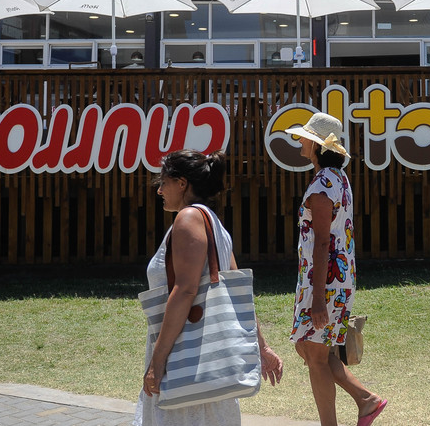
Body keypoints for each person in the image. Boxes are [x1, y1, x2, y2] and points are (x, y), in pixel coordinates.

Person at [136, 149, 284, 426]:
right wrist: (261, 346)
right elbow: (237, 293)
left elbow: (185, 291)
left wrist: (157, 362)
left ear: (182, 183)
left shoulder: (188, 219)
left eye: (163, 182)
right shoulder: (214, 224)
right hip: (212, 359)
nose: (159, 190)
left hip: (186, 358)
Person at [283, 112, 387, 426]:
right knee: (308, 349)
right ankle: (366, 400)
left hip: (325, 281)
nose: (300, 141)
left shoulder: (322, 184)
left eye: (305, 138)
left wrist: (317, 298)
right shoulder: (337, 178)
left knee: (315, 356)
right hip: (335, 278)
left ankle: (354, 408)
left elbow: (322, 242)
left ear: (317, 145)